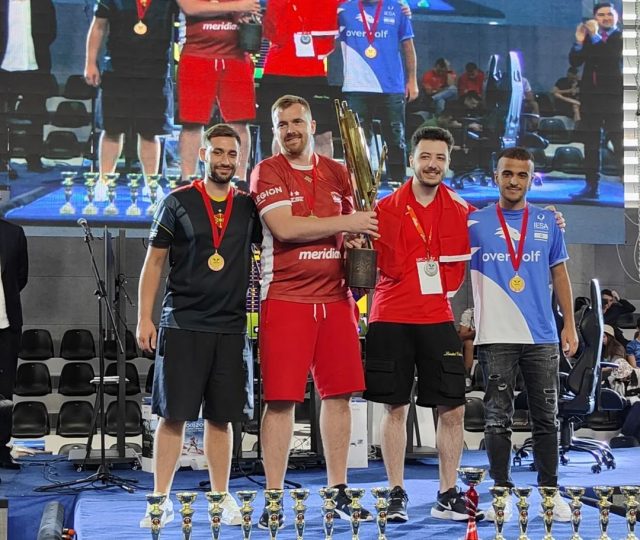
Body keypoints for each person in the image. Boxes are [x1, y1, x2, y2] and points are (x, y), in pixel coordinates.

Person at [249, 94, 379, 528]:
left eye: (296, 122)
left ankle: (338, 490)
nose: (290, 130)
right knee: (281, 401)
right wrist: (347, 223)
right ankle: (273, 498)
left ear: (311, 126)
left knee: (339, 397)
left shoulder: (339, 172)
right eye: (282, 124)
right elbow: (285, 228)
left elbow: (357, 228)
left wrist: (358, 241)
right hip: (286, 299)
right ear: (275, 131)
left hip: (337, 301)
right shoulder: (267, 170)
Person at [136, 123, 259, 528]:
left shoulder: (249, 207)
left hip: (230, 326)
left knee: (220, 418)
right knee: (172, 416)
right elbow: (154, 262)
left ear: (239, 159)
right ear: (203, 154)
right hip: (183, 322)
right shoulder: (177, 202)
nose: (225, 160)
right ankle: (160, 500)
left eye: (232, 153)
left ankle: (220, 498)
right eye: (217, 152)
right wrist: (144, 317)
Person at [365, 126, 475, 523]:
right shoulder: (382, 209)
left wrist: (552, 220)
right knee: (395, 408)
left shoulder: (463, 210)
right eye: (425, 156)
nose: (432, 164)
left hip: (437, 318)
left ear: (448, 162)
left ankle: (447, 493)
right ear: (412, 159)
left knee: (453, 409)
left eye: (440, 158)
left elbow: (504, 224)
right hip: (389, 316)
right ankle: (396, 491)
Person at [468, 147, 578, 523]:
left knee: (547, 418)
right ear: (495, 177)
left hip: (541, 335)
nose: (514, 181)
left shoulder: (548, 221)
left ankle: (550, 493)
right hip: (495, 334)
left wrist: (569, 324)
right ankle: (501, 494)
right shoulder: (474, 222)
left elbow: (560, 274)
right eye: (507, 174)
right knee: (496, 418)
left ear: (532, 179)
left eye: (521, 175)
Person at [84, 0, 178, 201]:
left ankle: (151, 184)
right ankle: (104, 182)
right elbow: (98, 25)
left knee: (150, 132)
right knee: (112, 129)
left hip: (155, 71)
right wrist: (90, 62)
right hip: (117, 69)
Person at [176, 0, 260, 184]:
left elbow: (251, 11)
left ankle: (239, 180)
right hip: (196, 56)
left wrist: (246, 16)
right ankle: (187, 180)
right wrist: (237, 7)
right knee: (191, 123)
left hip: (236, 58)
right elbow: (191, 8)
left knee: (240, 122)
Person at [338, 0, 419, 183]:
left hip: (391, 86)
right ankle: (359, 185)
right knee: (357, 140)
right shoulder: (343, 8)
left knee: (395, 139)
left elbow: (408, 46)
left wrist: (412, 80)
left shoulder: (398, 8)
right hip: (356, 86)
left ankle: (397, 183)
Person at [259, 0, 340, 158]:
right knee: (279, 132)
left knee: (322, 134)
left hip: (314, 74)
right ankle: (281, 173)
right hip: (278, 73)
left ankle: (323, 175)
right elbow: (267, 28)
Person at [569, 2, 622, 200]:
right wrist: (579, 41)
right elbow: (575, 62)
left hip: (615, 100)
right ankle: (591, 186)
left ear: (617, 17)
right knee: (591, 145)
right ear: (595, 18)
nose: (606, 18)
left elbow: (609, 57)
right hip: (591, 100)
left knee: (620, 144)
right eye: (601, 15)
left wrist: (595, 35)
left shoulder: (622, 37)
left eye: (609, 14)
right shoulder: (591, 38)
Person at [0, 0, 56, 173]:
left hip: (34, 67)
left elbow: (51, 32)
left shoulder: (42, 3)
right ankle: (2, 161)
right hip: (4, 67)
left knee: (36, 114)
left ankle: (34, 159)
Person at [0, 218, 28, 469]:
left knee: (4, 392)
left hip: (6, 324)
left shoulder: (14, 233)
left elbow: (21, 277)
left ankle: (1, 448)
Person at [458, 307, 475, 388]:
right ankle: (467, 376)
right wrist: (476, 332)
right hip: (475, 339)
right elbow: (462, 336)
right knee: (468, 342)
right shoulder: (469, 313)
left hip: (492, 339)